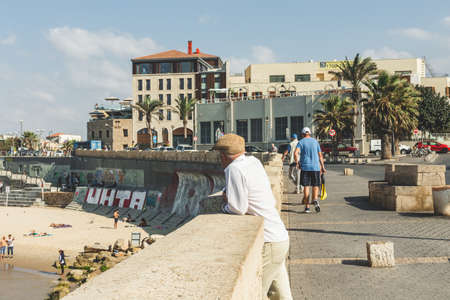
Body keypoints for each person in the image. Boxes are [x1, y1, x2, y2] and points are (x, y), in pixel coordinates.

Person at [213, 134, 292, 300]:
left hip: (268, 242)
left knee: (257, 293)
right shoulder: (253, 162)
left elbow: (238, 208)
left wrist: (224, 206)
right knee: (281, 294)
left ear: (222, 156)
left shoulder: (233, 169)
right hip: (280, 236)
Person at [294, 127, 326, 213]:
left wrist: (297, 163)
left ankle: (307, 207)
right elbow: (320, 155)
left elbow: (295, 153)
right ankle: (315, 199)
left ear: (303, 134)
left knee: (306, 186)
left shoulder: (301, 142)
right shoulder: (315, 142)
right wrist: (322, 166)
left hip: (305, 167)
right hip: (315, 167)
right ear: (310, 133)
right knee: (315, 185)